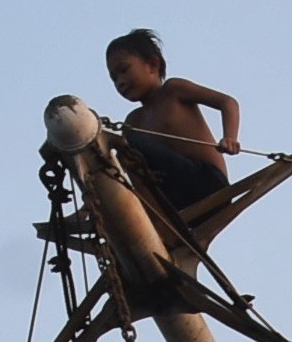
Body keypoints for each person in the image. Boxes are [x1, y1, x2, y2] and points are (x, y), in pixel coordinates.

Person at [103, 28, 241, 222]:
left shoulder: (173, 90)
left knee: (127, 143)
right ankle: (98, 210)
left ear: (152, 64)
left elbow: (228, 103)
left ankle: (159, 226)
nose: (120, 82)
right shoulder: (133, 121)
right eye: (114, 78)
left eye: (124, 70)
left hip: (207, 184)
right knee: (117, 154)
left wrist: (230, 138)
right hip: (174, 198)